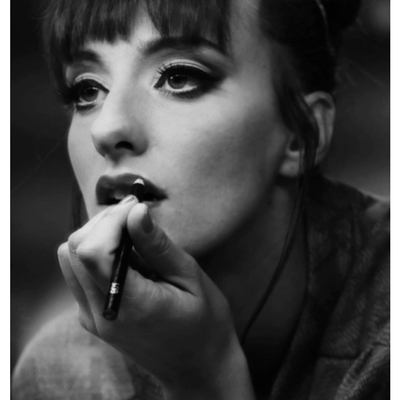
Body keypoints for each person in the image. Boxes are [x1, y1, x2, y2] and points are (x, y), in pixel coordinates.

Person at [12, 0, 389, 399]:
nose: (106, 128)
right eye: (87, 90)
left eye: (178, 77)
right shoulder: (62, 374)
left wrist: (204, 378)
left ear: (302, 132)